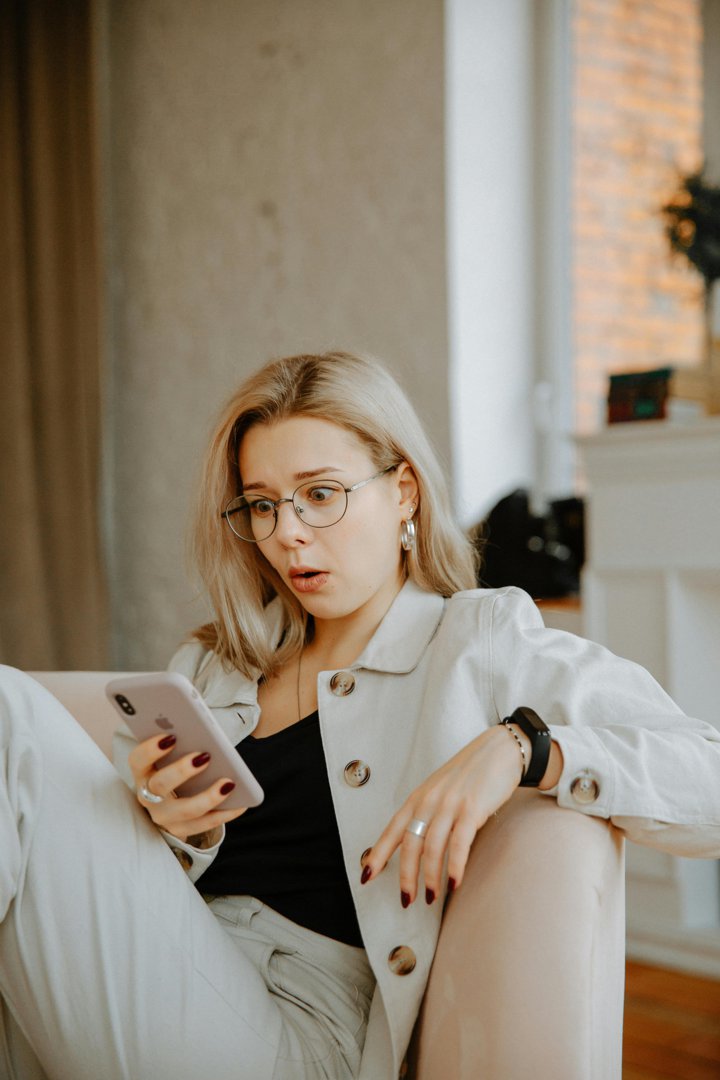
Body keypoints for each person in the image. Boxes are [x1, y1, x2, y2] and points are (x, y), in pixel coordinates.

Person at [2, 349, 720, 1080]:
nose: (288, 532)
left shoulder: (477, 640)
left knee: (8, 709)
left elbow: (709, 773)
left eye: (320, 494)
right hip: (163, 970)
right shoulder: (213, 665)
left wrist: (521, 749)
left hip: (299, 1029)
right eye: (263, 505)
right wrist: (171, 826)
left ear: (404, 492)